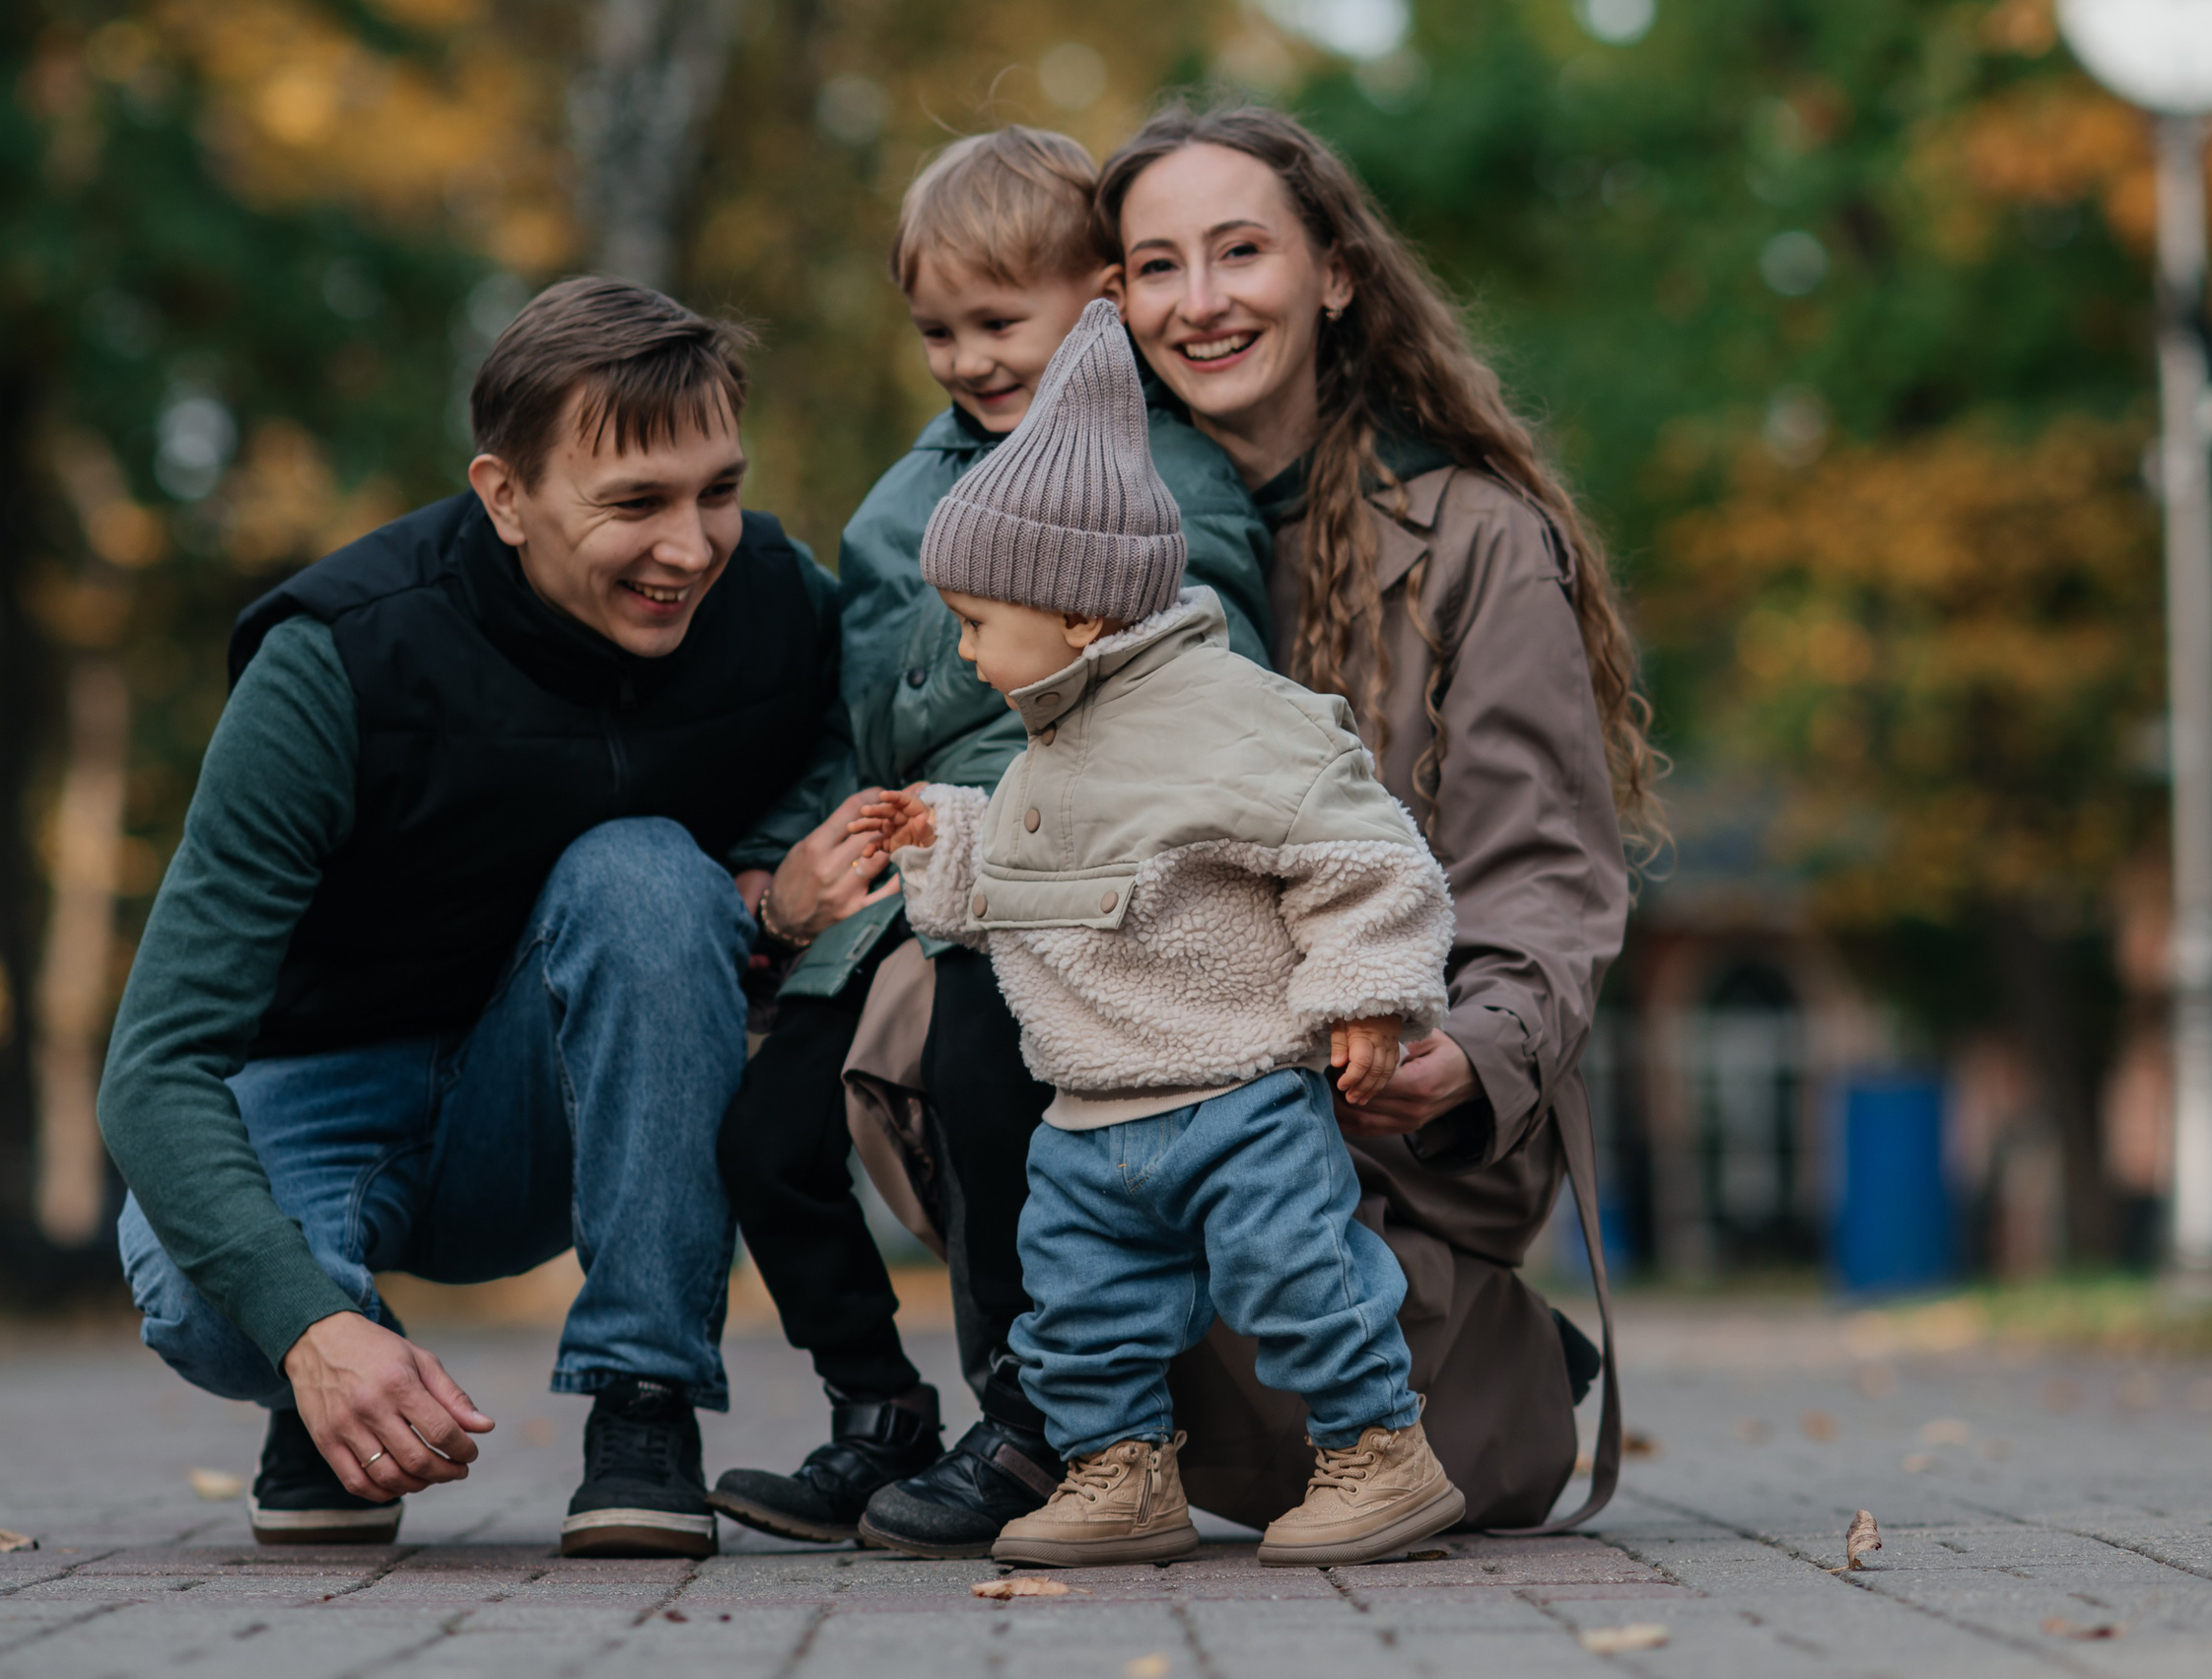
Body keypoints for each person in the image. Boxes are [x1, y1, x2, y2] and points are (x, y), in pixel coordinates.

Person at [101, 278, 847, 1560]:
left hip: (547, 1101)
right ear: (504, 497)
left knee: (645, 871)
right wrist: (309, 1328)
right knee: (208, 1302)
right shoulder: (338, 657)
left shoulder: (779, 605)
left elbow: (862, 747)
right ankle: (334, 1394)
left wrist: (771, 873)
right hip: (323, 1086)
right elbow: (155, 1069)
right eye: (634, 504)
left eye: (716, 490)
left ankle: (645, 1405)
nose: (692, 545)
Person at [708, 127, 1274, 1560]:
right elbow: (852, 720)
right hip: (897, 868)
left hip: (1054, 862)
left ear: (1098, 302)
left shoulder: (1164, 472)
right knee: (765, 1132)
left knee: (986, 1079)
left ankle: (1039, 1422)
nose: (964, 357)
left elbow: (1208, 664)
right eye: (937, 331)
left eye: (996, 322)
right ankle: (876, 1407)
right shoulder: (903, 498)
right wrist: (791, 869)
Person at [1095, 105, 1662, 1531]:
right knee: (931, 1011)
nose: (1202, 300)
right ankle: (1070, 1428)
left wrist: (1471, 1056)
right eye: (1158, 267)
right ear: (1114, 303)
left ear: (1335, 271)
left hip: (1377, 1110)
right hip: (1133, 1071)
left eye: (1241, 252)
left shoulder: (1475, 537)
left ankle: (1480, 1352)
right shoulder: (1081, 538)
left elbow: (1544, 870)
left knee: (1387, 1448)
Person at [853, 298, 1467, 1570]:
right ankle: (1118, 1467)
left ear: (1075, 612)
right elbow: (1032, 878)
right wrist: (946, 839)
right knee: (1078, 1307)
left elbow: (1363, 849)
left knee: (1304, 1281)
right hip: (1092, 1113)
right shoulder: (1048, 747)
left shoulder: (1239, 722)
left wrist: (1368, 995)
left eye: (976, 622)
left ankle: (1379, 1451)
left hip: (1239, 1090)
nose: (965, 655)